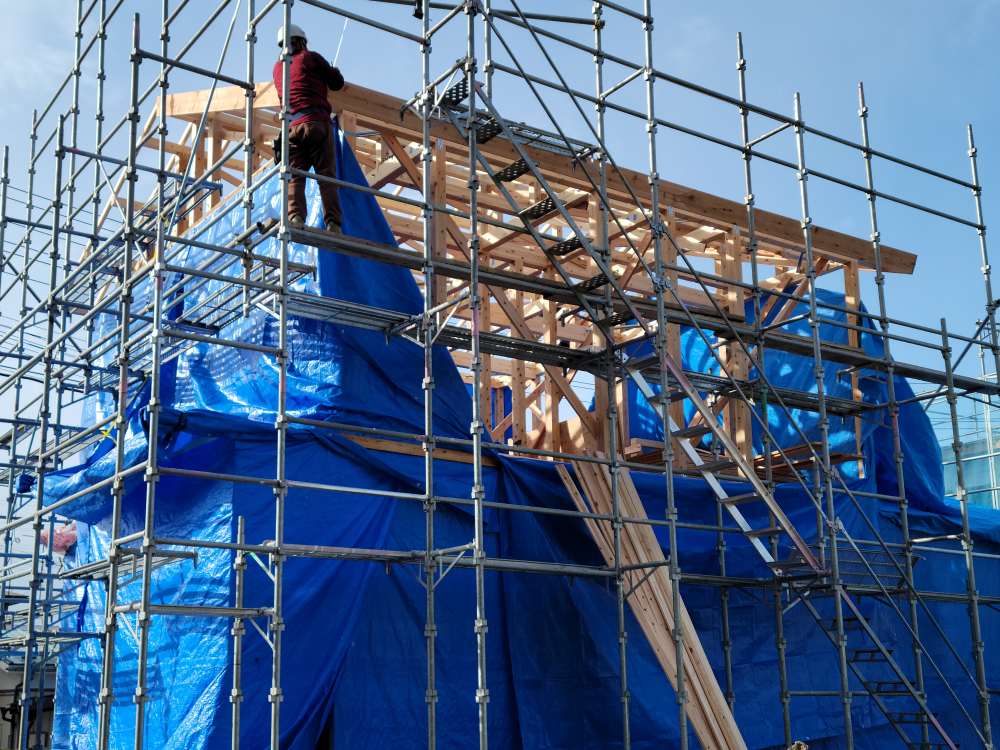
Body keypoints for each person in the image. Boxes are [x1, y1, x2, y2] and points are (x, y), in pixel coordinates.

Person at [273, 23, 346, 233]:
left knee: (295, 176)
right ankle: (333, 223)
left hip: (291, 129)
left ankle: (295, 217)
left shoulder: (277, 68)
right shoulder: (310, 57)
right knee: (326, 176)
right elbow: (337, 83)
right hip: (316, 123)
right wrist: (334, 70)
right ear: (301, 41)